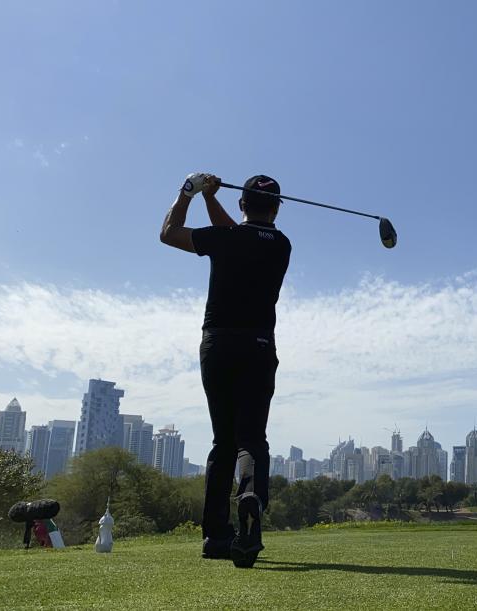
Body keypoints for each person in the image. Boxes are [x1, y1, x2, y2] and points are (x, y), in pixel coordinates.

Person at [159, 172, 291, 567]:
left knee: (223, 442)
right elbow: (243, 235)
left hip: (218, 345)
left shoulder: (226, 239)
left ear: (242, 204)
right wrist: (208, 198)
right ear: (277, 208)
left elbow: (169, 232)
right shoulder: (282, 244)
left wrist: (189, 191)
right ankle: (249, 497)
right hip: (259, 345)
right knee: (252, 438)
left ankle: (217, 536)